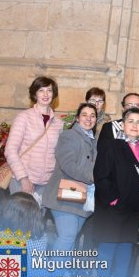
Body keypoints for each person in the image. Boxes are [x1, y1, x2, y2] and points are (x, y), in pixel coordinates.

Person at [93, 108, 139, 277]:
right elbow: (101, 176)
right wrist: (114, 200)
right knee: (108, 248)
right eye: (131, 121)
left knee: (126, 248)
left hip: (134, 208)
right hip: (112, 208)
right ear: (123, 125)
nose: (135, 125)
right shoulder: (111, 146)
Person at [42, 103, 97, 256]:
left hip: (81, 198)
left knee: (70, 239)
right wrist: (92, 177)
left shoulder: (94, 141)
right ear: (78, 118)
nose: (88, 118)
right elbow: (68, 165)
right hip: (64, 197)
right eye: (84, 115)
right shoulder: (69, 135)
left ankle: (59, 273)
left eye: (92, 115)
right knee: (67, 237)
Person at [4, 76, 64, 199]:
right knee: (21, 217)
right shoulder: (24, 117)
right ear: (35, 94)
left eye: (49, 90)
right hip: (23, 181)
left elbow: (58, 154)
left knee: (38, 218)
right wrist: (23, 178)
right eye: (41, 90)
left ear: (54, 94)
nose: (46, 94)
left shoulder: (58, 124)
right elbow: (10, 150)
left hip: (46, 185)